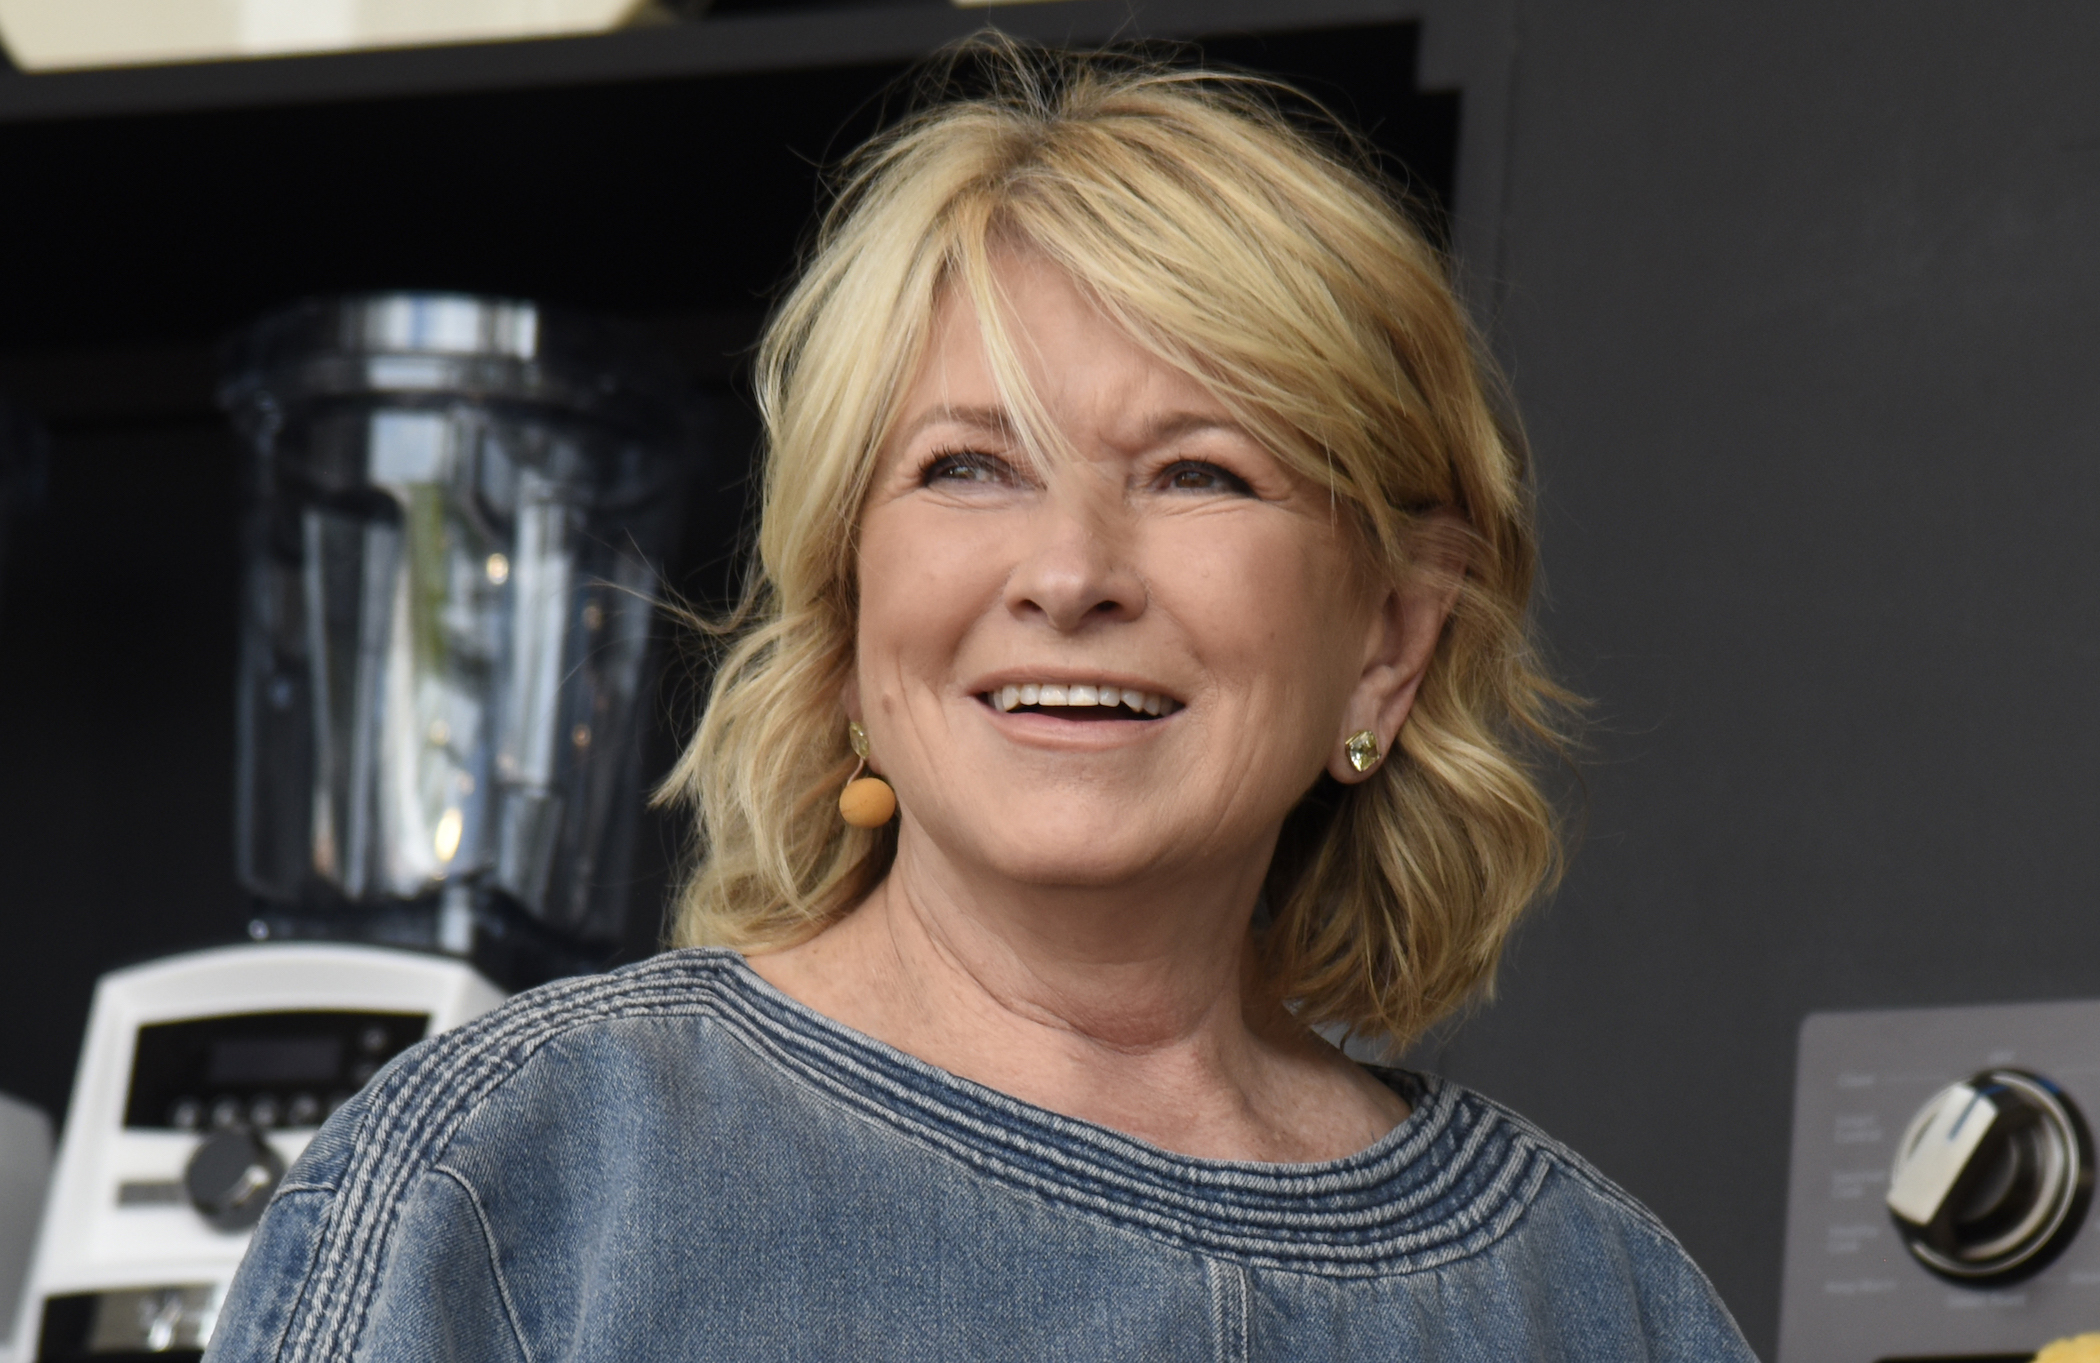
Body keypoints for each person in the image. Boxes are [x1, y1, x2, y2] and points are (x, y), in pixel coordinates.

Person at [207, 41, 1756, 1363]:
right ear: (850, 601)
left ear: (1392, 640)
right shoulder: (518, 1182)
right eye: (968, 467)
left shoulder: (1595, 1301)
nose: (1069, 570)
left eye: (1199, 473)